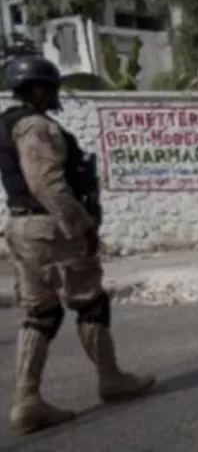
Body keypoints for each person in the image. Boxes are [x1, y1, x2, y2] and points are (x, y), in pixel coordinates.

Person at [0, 56, 155, 435]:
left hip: (23, 226)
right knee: (89, 302)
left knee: (43, 313)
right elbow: (47, 183)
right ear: (36, 89)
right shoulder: (35, 127)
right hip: (50, 228)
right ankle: (111, 378)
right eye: (50, 87)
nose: (54, 95)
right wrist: (81, 226)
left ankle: (27, 400)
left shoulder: (8, 125)